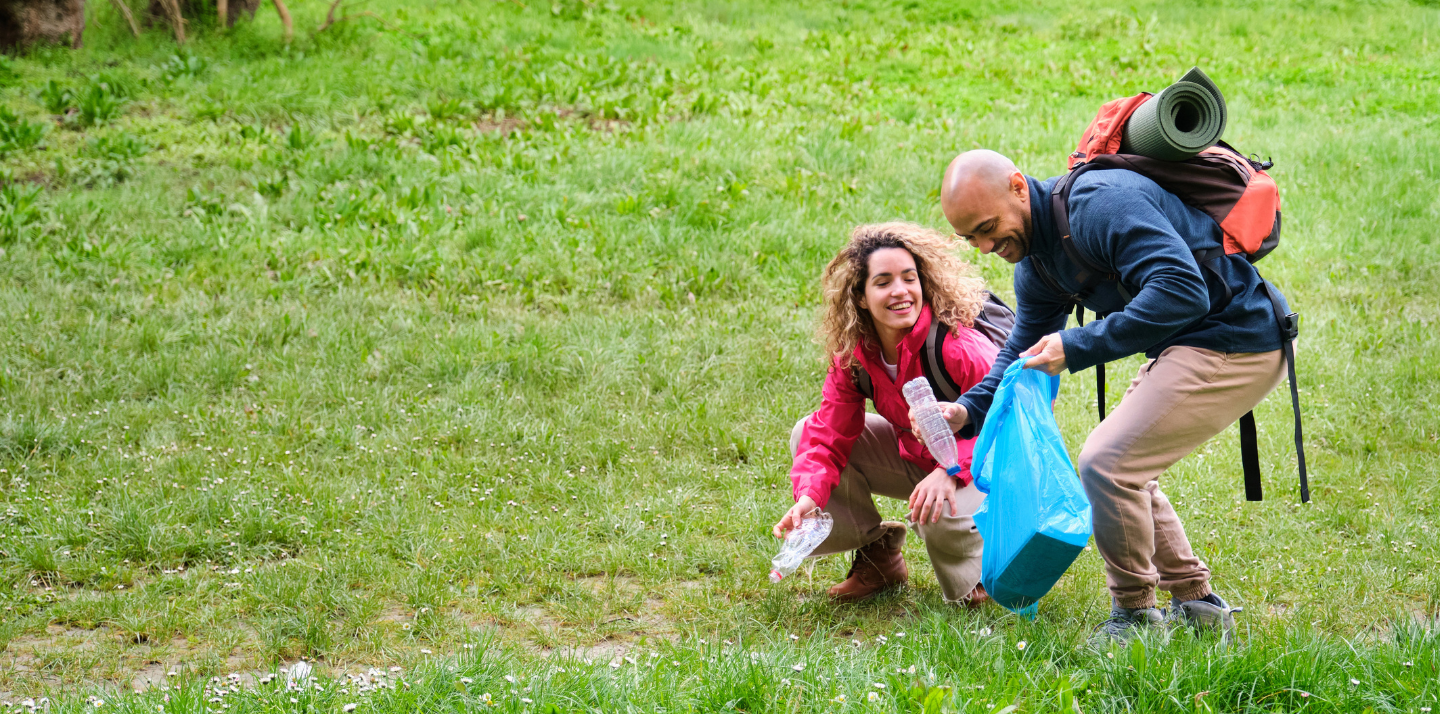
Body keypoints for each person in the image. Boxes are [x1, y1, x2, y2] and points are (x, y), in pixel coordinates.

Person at [930, 149, 1293, 642]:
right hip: (1191, 342)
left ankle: (1135, 616)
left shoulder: (1099, 205)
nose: (984, 246)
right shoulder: (1039, 265)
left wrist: (1076, 345)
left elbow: (1184, 290)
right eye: (970, 237)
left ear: (1018, 186)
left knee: (1107, 463)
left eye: (987, 227)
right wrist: (966, 409)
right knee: (1121, 468)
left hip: (1241, 338)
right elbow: (1020, 348)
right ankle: (1197, 604)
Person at [774, 222, 999, 605]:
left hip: (994, 466)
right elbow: (828, 433)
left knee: (937, 505)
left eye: (909, 278)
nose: (900, 291)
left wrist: (950, 472)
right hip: (922, 457)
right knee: (805, 432)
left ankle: (982, 582)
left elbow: (1010, 417)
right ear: (860, 297)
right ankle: (878, 558)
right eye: (883, 282)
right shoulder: (856, 356)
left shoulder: (957, 345)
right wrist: (810, 498)